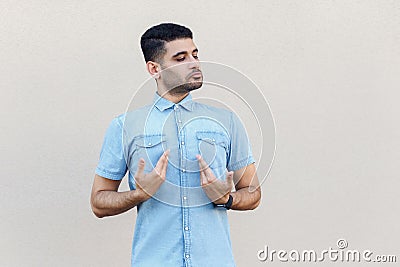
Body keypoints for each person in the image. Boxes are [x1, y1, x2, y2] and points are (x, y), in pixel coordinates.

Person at [90, 23, 261, 267]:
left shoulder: (226, 121)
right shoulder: (125, 126)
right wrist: (139, 194)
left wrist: (227, 199)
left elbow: (253, 193)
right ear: (154, 69)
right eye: (181, 58)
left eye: (195, 54)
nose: (194, 63)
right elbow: (98, 202)